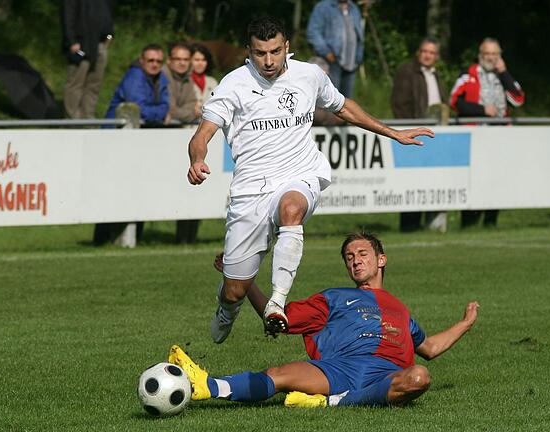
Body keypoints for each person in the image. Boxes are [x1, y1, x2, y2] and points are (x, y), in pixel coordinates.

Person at [185, 16, 433, 343]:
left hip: (300, 174)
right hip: (251, 192)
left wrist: (392, 133)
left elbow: (343, 107)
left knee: (292, 209)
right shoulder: (233, 84)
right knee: (235, 290)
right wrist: (197, 159)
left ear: (287, 47)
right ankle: (227, 308)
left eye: (275, 51)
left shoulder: (309, 75)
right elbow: (202, 135)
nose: (269, 61)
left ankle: (277, 301)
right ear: (249, 51)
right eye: (260, 53)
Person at [168, 232, 479, 407]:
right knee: (279, 373)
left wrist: (464, 324)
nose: (356, 260)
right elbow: (278, 316)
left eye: (362, 253)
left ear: (381, 259)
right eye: (349, 256)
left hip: (385, 375)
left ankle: (333, 402)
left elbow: (429, 348)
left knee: (419, 377)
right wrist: (243, 279)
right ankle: (206, 386)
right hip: (338, 369)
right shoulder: (333, 298)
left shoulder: (400, 309)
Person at [450, 37, 525, 228]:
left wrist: (504, 72)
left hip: (499, 138)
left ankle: (491, 221)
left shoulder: (503, 75)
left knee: (497, 179)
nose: (491, 57)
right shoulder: (469, 74)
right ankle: (468, 222)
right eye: (487, 54)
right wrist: (482, 110)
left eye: (494, 54)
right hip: (475, 137)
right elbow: (455, 102)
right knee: (474, 180)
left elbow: (518, 99)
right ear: (480, 55)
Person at [391, 37, 447, 232]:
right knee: (411, 181)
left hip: (433, 135)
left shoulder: (436, 74)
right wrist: (409, 128)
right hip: (414, 134)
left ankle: (431, 223)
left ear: (436, 56)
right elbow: (399, 104)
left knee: (431, 180)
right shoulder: (407, 72)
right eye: (425, 51)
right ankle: (409, 225)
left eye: (432, 53)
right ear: (418, 52)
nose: (427, 55)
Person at [61, 0, 113, 119]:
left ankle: (88, 118)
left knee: (94, 84)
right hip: (81, 47)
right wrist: (72, 41)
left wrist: (109, 37)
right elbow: (67, 17)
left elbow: (109, 21)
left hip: (100, 46)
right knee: (76, 83)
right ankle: (72, 119)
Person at [306, 0, 364, 98]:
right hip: (331, 62)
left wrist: (359, 56)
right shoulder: (323, 7)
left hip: (351, 63)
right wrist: (326, 52)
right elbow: (313, 32)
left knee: (346, 103)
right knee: (330, 100)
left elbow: (359, 36)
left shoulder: (354, 9)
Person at [105, 44, 169, 125]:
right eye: (150, 60)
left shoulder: (161, 77)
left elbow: (166, 105)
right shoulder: (134, 77)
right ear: (141, 60)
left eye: (159, 61)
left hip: (142, 127)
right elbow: (139, 110)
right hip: (117, 129)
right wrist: (161, 115)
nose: (155, 65)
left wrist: (161, 112)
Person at [162, 42, 198, 124]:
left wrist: (180, 112)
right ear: (169, 60)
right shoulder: (162, 76)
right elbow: (170, 109)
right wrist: (194, 114)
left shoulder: (188, 76)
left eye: (186, 59)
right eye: (178, 59)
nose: (182, 63)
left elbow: (192, 103)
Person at [190, 44, 219, 120]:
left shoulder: (213, 82)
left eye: (203, 60)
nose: (200, 63)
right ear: (190, 61)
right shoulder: (184, 81)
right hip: (186, 126)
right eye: (197, 60)